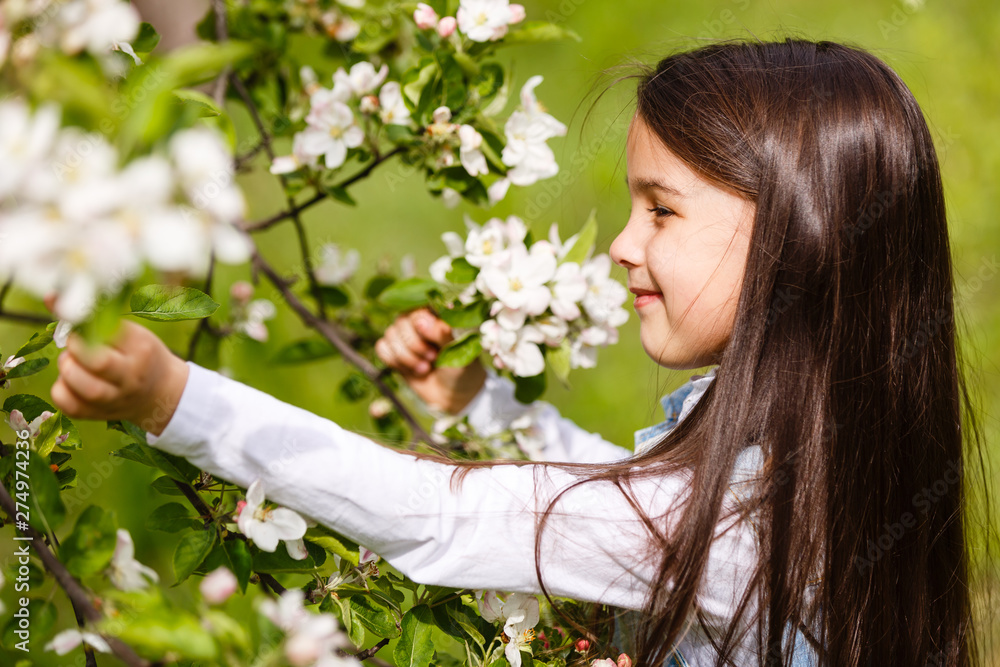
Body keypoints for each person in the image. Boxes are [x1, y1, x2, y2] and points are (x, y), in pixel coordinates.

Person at [47, 37, 989, 667]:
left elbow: (439, 518)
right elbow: (629, 486)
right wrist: (486, 409)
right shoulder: (822, 454)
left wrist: (173, 396)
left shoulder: (740, 523)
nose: (622, 243)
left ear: (802, 239)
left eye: (661, 209)